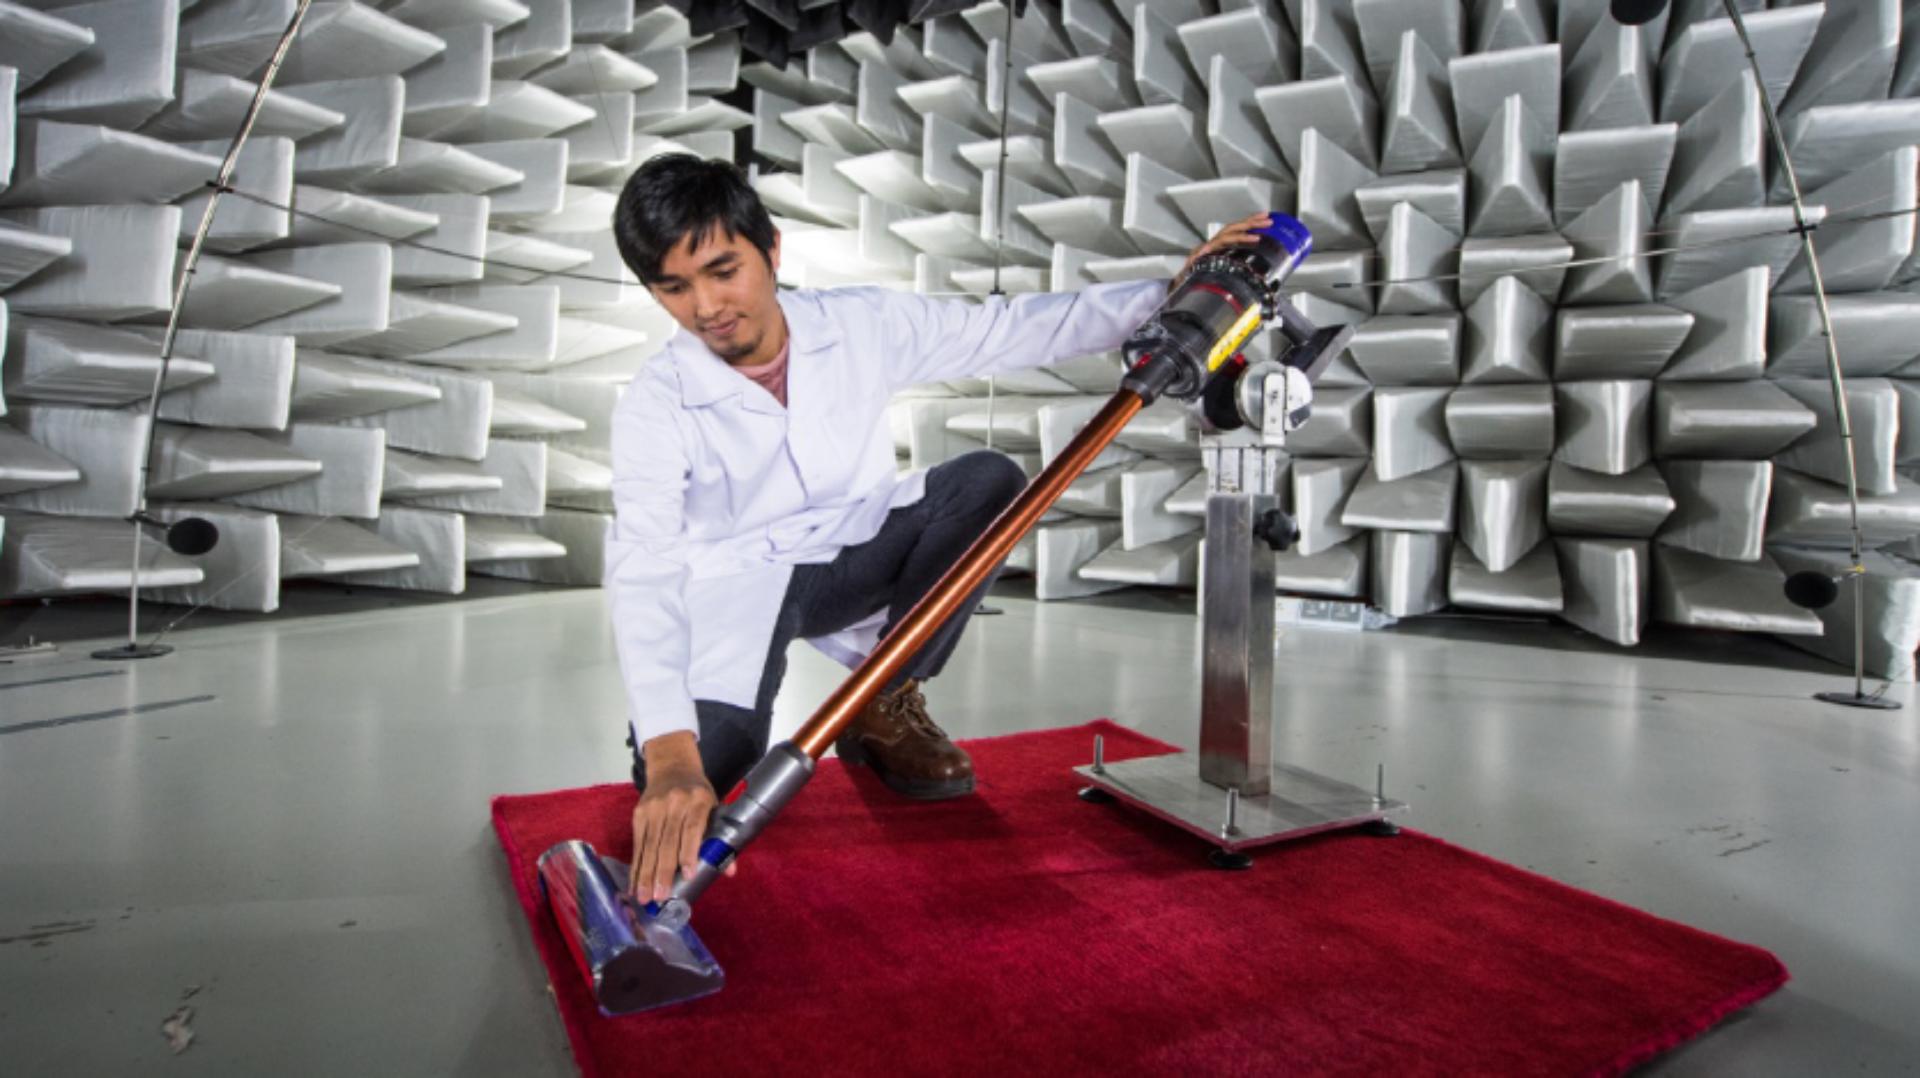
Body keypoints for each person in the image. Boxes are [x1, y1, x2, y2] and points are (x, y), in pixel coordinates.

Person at [607, 153, 1271, 901]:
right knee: (705, 783)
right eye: (674, 287)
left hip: (847, 555)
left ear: (773, 250)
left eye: (723, 270)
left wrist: (1178, 294)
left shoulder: (859, 324)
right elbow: (644, 568)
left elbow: (1012, 329)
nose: (706, 308)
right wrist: (668, 751)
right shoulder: (654, 403)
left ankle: (882, 699)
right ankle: (674, 737)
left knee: (987, 481)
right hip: (733, 591)